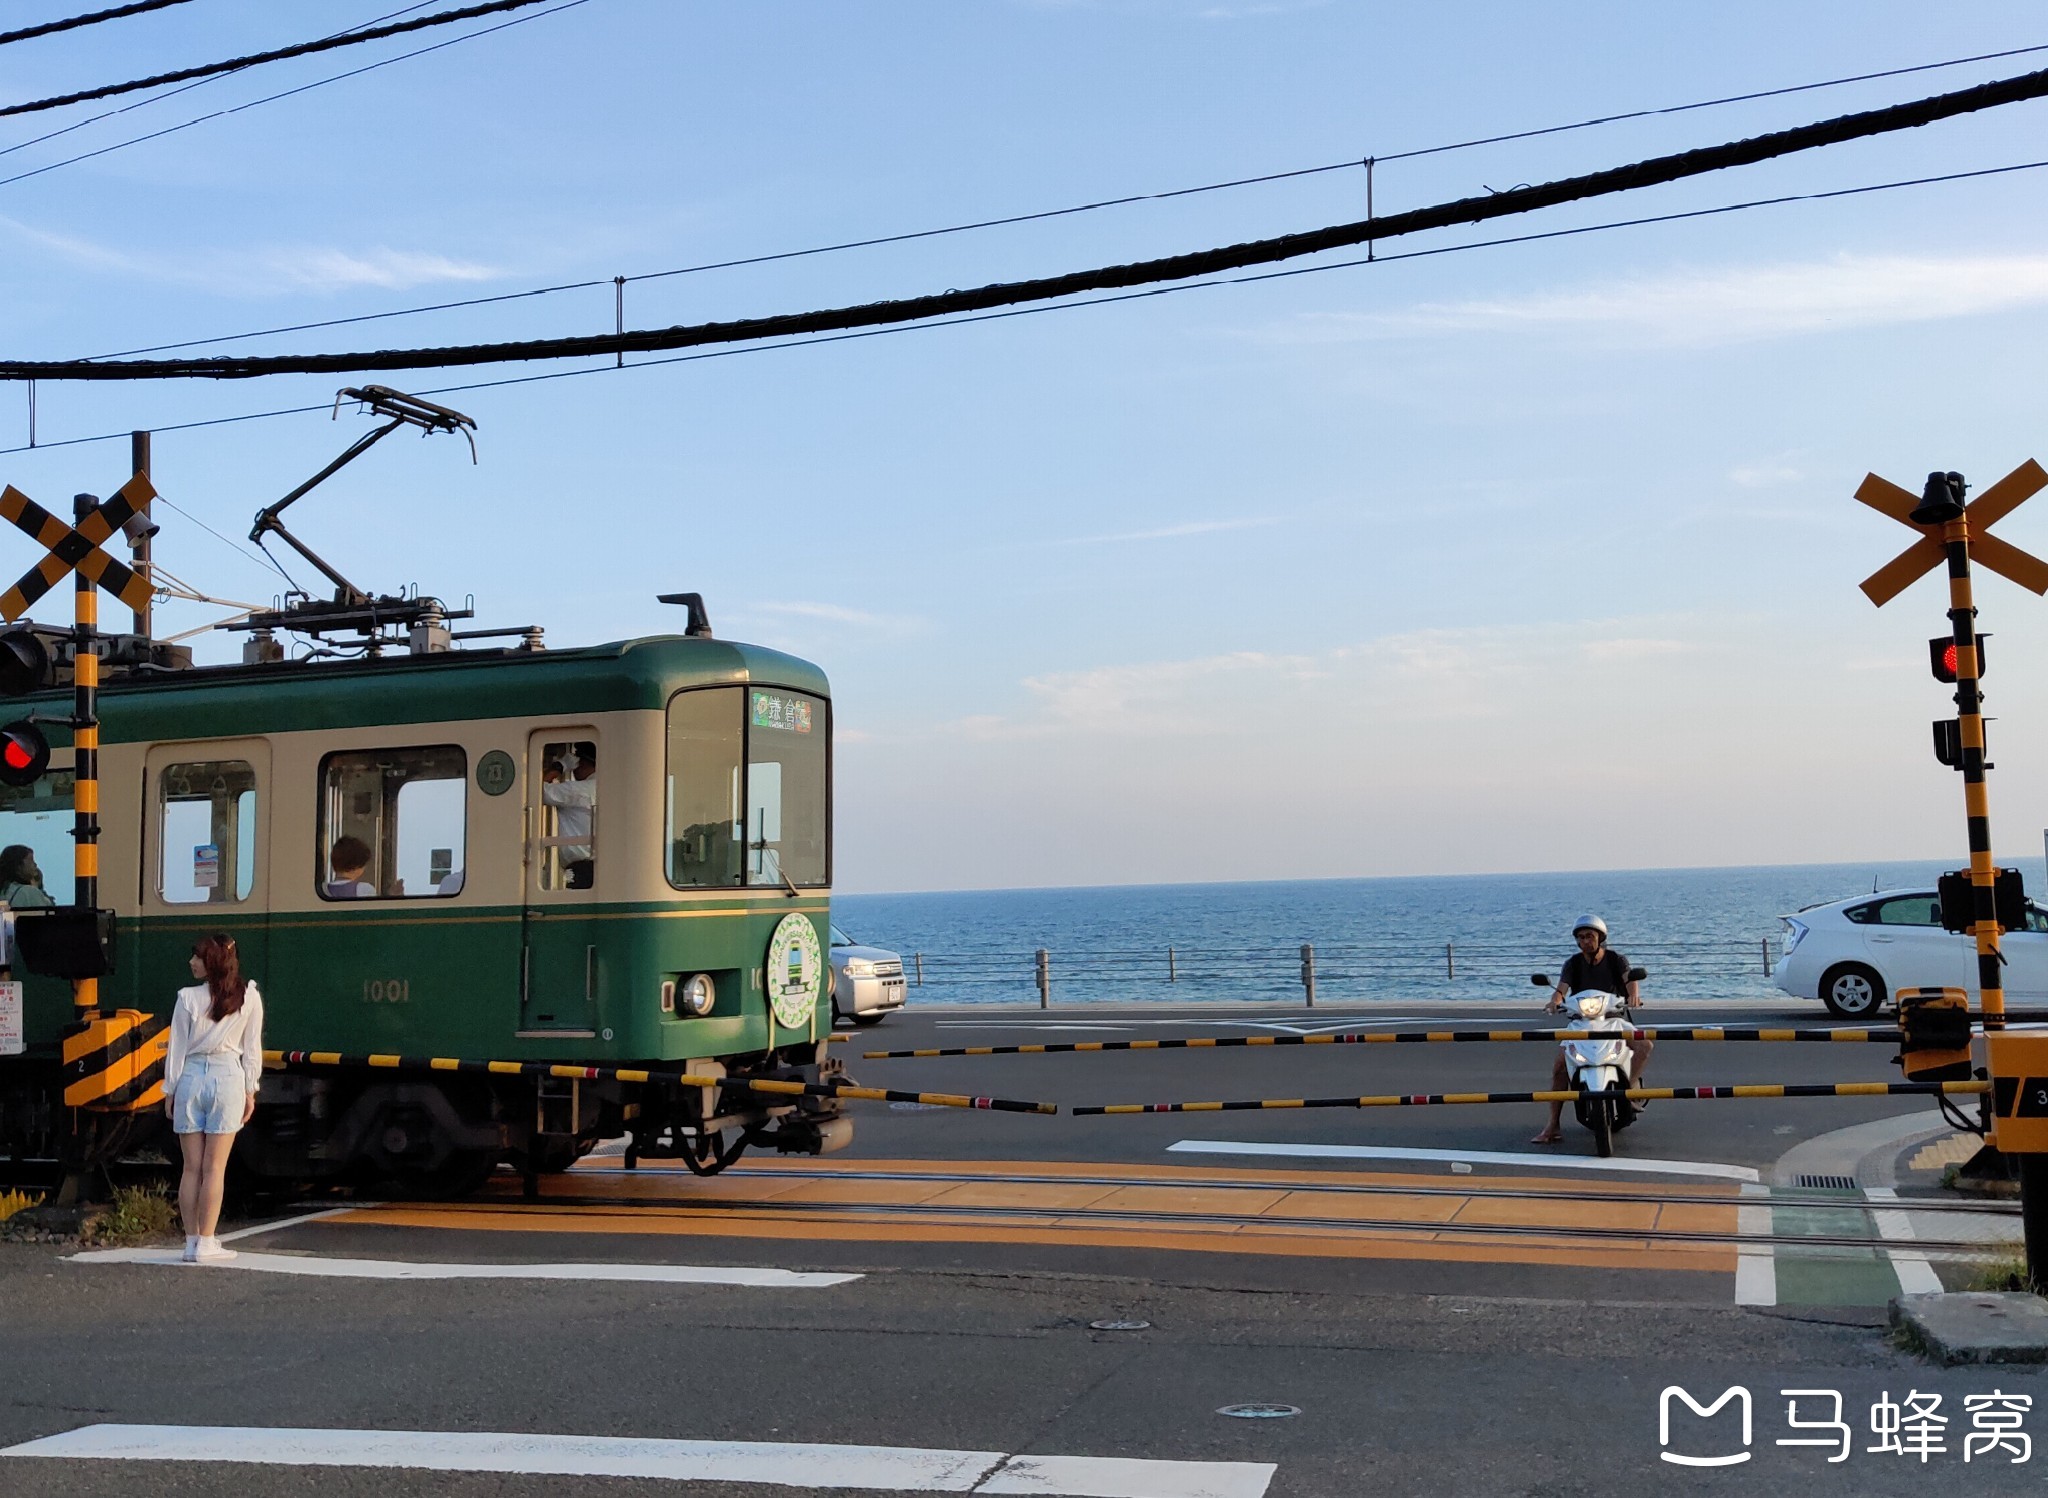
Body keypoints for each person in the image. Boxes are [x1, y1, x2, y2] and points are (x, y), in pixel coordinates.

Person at [162, 933, 264, 1263]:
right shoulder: (249, 996)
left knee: (190, 1168)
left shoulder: (186, 998)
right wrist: (251, 1088)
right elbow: (252, 1050)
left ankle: (192, 1243)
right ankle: (208, 1242)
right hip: (228, 1078)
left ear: (212, 963)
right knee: (215, 1168)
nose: (192, 962)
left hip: (191, 1078)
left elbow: (176, 1050)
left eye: (198, 957)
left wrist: (170, 1090)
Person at [1531, 914, 1652, 1144]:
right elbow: (1561, 989)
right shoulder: (1573, 964)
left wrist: (1634, 994)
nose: (1586, 941)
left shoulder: (1616, 959)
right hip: (1581, 1022)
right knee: (1559, 1067)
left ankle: (1629, 1091)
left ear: (1600, 938)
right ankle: (1552, 1125)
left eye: (1590, 936)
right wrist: (1555, 1001)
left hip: (1612, 1018)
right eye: (1581, 937)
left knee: (1645, 1045)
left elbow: (1630, 979)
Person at [541, 741, 596, 889]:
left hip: (582, 869)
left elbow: (537, 790)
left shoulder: (580, 790)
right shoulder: (602, 787)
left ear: (584, 762)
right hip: (595, 867)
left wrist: (559, 766)